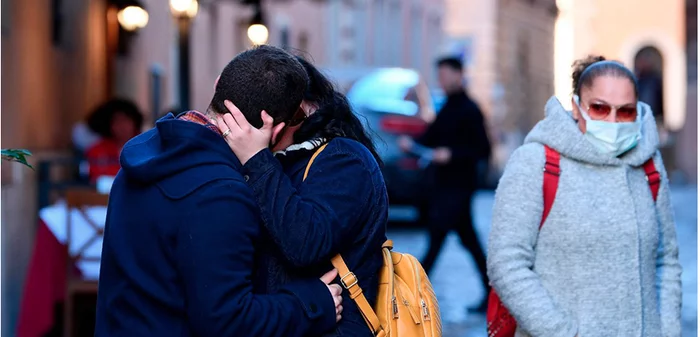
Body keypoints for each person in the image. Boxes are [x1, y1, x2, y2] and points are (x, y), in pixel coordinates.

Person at [95, 45, 343, 337]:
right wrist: (313, 304)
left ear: (217, 86)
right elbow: (227, 322)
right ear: (274, 130)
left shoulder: (142, 159)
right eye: (297, 121)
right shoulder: (223, 193)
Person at [487, 56, 681, 336]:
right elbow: (506, 263)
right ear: (577, 107)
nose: (613, 121)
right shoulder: (535, 162)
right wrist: (561, 331)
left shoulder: (649, 165)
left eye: (625, 112)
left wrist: (668, 330)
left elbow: (666, 260)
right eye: (600, 108)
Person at [214, 56, 388, 336]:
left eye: (285, 113)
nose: (270, 126)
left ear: (309, 106)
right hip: (285, 322)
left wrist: (257, 159)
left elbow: (305, 243)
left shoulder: (344, 158)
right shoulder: (270, 160)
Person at [398, 56, 491, 312]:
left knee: (437, 237)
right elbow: (431, 136)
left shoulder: (470, 109)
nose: (441, 80)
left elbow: (482, 149)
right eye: (439, 75)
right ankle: (493, 293)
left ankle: (411, 294)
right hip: (445, 186)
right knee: (468, 241)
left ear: (458, 75)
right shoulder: (447, 107)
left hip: (460, 186)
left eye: (445, 75)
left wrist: (451, 154)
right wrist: (412, 143)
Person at [84, 99, 144, 182]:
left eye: (126, 120)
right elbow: (94, 178)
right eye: (117, 121)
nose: (122, 126)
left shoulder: (146, 147)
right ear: (109, 125)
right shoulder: (96, 151)